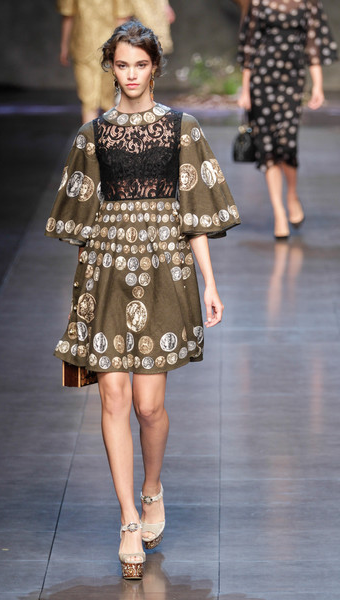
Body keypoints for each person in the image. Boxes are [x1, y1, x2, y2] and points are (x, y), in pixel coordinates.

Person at [45, 19, 241, 580]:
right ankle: (128, 517)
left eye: (141, 64)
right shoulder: (93, 135)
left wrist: (209, 282)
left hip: (164, 270)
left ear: (155, 68)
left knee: (148, 406)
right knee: (113, 395)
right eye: (122, 65)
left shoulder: (183, 129)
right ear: (111, 69)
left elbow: (195, 212)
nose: (131, 74)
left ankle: (152, 487)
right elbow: (79, 220)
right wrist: (86, 293)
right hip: (107, 272)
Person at [236, 0, 337, 239]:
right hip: (262, 78)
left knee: (287, 143)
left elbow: (312, 44)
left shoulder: (307, 3)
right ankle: (279, 212)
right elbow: (250, 45)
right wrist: (245, 90)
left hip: (292, 78)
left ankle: (292, 195)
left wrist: (318, 85)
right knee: (268, 146)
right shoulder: (259, 3)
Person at [57, 0, 132, 124]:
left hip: (88, 46)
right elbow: (122, 16)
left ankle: (93, 136)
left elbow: (68, 14)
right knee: (104, 102)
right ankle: (105, 136)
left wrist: (64, 46)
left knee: (92, 102)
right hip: (106, 47)